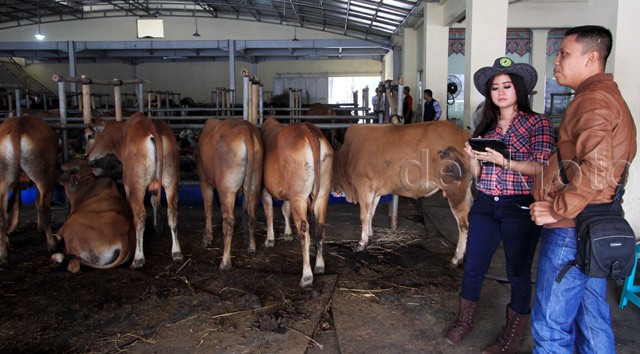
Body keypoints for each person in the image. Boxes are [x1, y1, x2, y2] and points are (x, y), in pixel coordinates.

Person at [529, 25, 637, 354]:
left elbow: (597, 169)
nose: (556, 61)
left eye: (563, 53)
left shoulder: (593, 101)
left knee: (550, 324)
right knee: (591, 317)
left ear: (591, 58)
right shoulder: (605, 97)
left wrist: (557, 208)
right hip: (592, 223)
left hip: (572, 229)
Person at [444, 57, 555, 354]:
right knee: (474, 266)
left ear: (519, 88)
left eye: (507, 86)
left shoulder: (538, 123)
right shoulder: (487, 126)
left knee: (518, 271)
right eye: (495, 88)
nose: (501, 92)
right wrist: (472, 156)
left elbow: (542, 166)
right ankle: (464, 320)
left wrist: (504, 161)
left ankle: (513, 335)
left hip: (519, 205)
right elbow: (480, 175)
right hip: (485, 205)